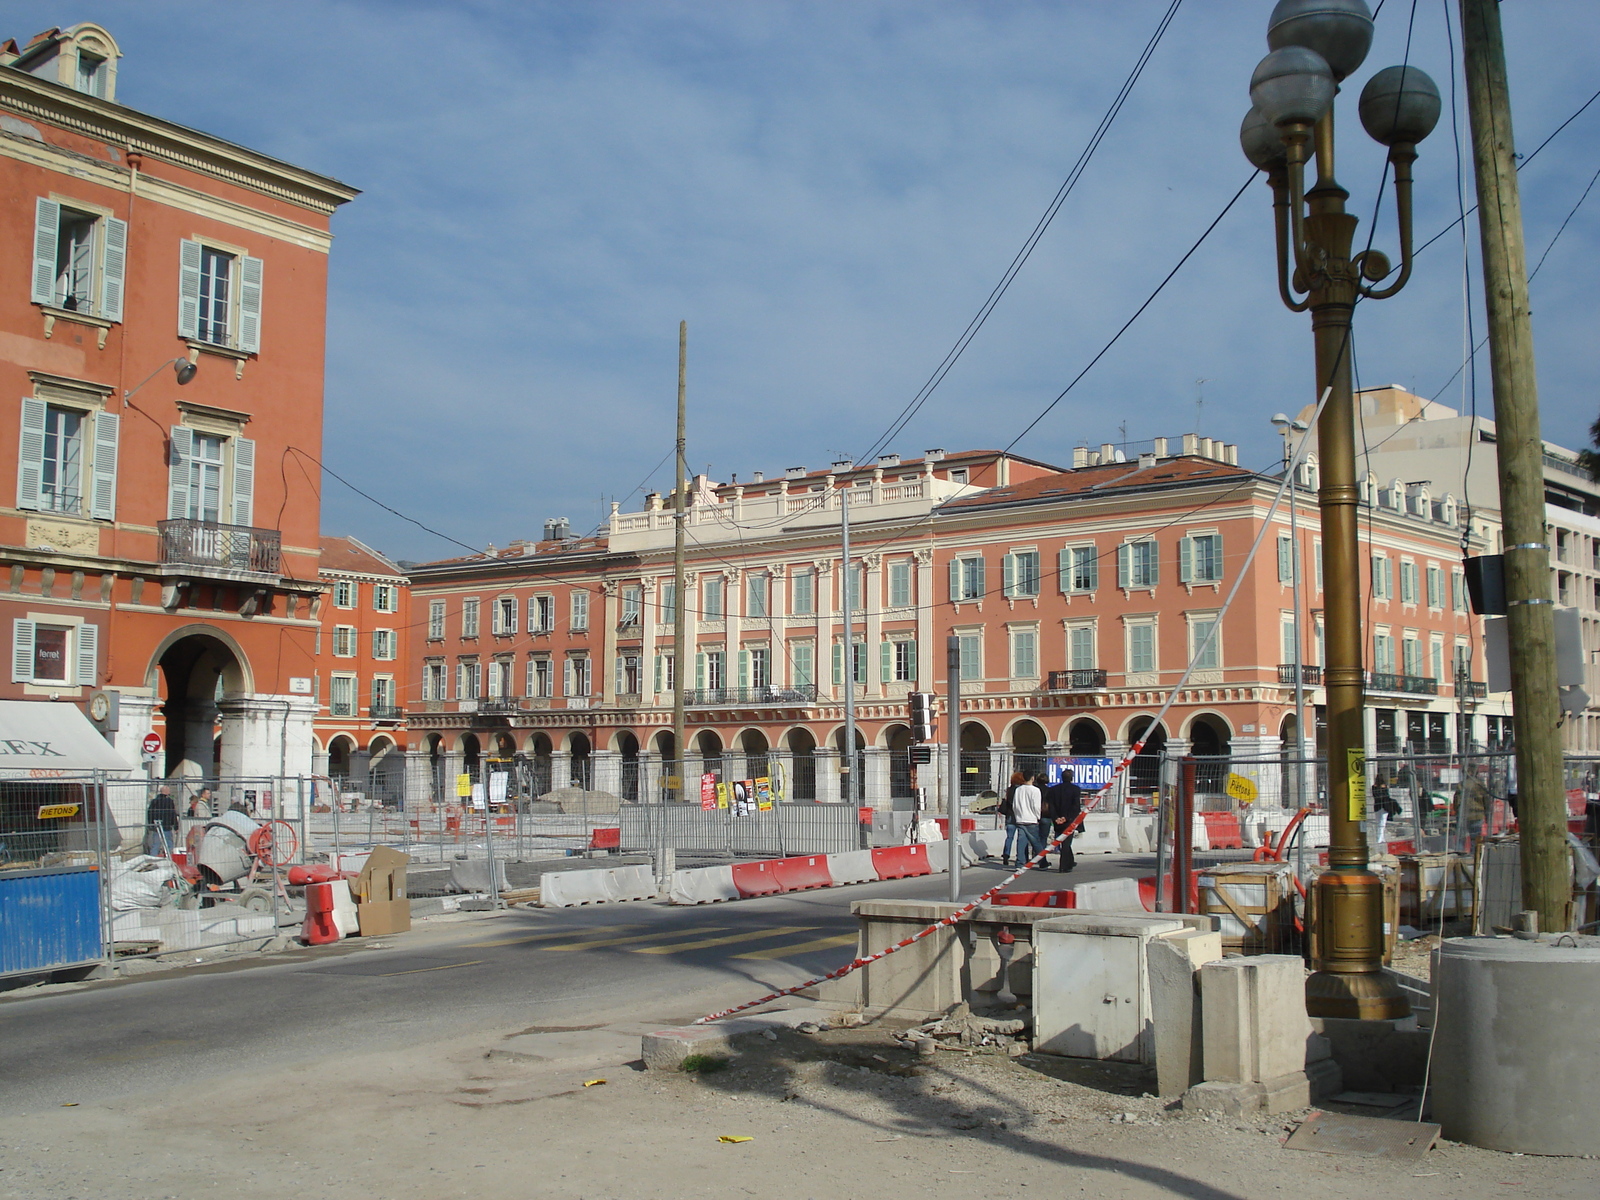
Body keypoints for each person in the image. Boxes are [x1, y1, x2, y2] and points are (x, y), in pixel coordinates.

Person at [1042, 767, 1083, 874]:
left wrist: (1056, 817)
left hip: (1057, 820)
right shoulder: (1075, 789)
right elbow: (1075, 807)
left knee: (1062, 841)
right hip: (1069, 820)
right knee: (1066, 843)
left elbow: (1051, 806)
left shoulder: (1053, 790)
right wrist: (1067, 817)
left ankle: (1070, 861)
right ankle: (1064, 866)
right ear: (1071, 778)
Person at [1011, 772, 1044, 868]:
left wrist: (1018, 815)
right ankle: (1042, 862)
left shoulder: (1018, 790)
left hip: (1020, 818)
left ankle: (1020, 862)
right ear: (1032, 778)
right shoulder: (1035, 790)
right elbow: (1036, 806)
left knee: (1021, 842)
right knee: (1036, 842)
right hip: (1031, 819)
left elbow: (1015, 805)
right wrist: (1038, 817)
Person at [144, 784, 179, 855]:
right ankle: (168, 859)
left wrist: (151, 824)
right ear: (167, 792)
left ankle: (152, 859)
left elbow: (150, 813)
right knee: (169, 844)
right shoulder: (169, 801)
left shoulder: (154, 801)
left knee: (156, 845)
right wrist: (176, 826)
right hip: (167, 826)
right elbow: (173, 814)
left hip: (156, 827)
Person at [999, 771, 1023, 867]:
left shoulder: (1009, 790)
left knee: (1009, 837)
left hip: (1009, 815)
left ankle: (1006, 854)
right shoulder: (1021, 790)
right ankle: (1020, 856)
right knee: (1021, 837)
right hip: (1019, 815)